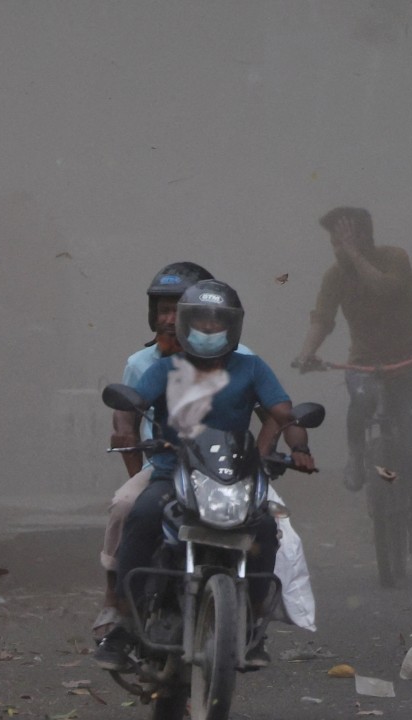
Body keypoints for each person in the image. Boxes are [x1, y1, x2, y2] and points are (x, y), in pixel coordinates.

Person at [94, 280, 315, 670]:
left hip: (233, 475)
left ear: (233, 328)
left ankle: (251, 627)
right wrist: (125, 429)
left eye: (218, 323)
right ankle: (124, 626)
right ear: (184, 325)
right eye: (201, 322)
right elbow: (131, 405)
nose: (209, 330)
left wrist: (299, 448)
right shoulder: (164, 368)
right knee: (141, 515)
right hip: (170, 472)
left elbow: (284, 412)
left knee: (264, 530)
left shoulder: (251, 368)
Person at [93, 262, 263, 640]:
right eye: (163, 310)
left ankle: (256, 608)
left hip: (227, 469)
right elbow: (127, 419)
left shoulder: (242, 358)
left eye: (179, 309)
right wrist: (141, 469)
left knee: (272, 524)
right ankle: (116, 601)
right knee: (126, 506)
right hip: (168, 466)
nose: (170, 319)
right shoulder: (142, 364)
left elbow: (271, 411)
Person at [292, 206, 412, 553]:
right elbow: (322, 319)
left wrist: (355, 255)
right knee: (360, 401)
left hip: (406, 364)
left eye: (341, 242)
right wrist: (306, 353)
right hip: (363, 365)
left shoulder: (394, 259)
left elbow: (387, 290)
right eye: (333, 243)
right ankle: (357, 457)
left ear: (363, 238)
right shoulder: (335, 276)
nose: (336, 250)